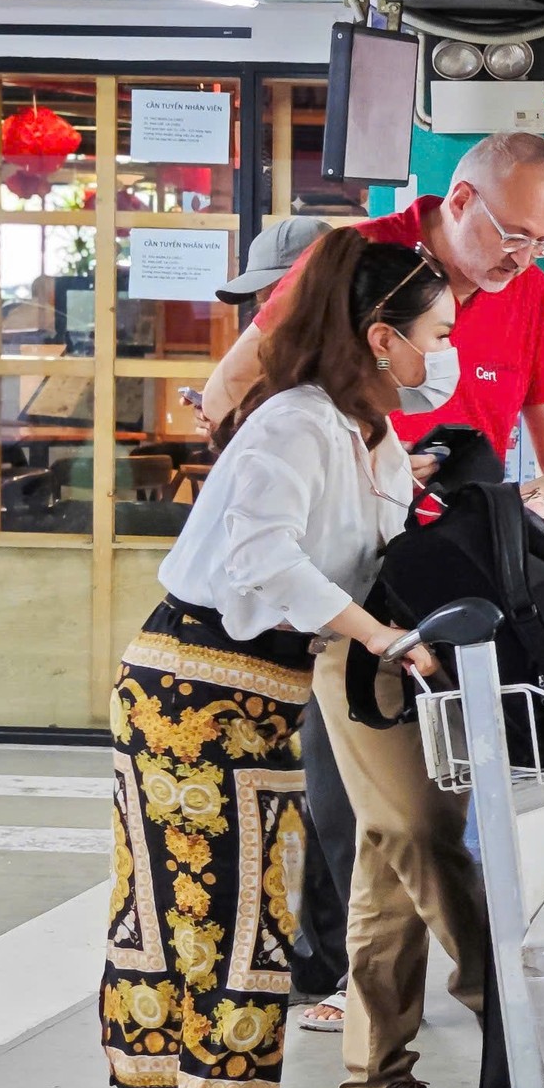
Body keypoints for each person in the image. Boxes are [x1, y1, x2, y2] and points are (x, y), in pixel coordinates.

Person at [203, 132, 544, 1088]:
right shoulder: (354, 270)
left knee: (389, 841)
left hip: (452, 587)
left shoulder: (522, 294)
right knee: (411, 828)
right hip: (352, 605)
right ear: (460, 200)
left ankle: (377, 1072)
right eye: (515, 232)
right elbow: (229, 396)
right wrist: (324, 472)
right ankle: (524, 1022)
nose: (528, 257)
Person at [100, 232, 447, 1088]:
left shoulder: (373, 435)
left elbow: (378, 554)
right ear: (381, 337)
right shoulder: (294, 423)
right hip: (194, 691)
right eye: (436, 335)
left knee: (246, 916)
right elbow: (265, 560)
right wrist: (377, 636)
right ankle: (183, 1085)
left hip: (264, 696)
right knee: (214, 916)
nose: (444, 355)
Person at [205, 215, 361, 1035]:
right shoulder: (280, 409)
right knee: (299, 809)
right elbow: (262, 557)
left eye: (272, 298)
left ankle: (323, 963)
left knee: (324, 806)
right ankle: (316, 961)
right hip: (250, 653)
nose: (259, 319)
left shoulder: (319, 408)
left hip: (296, 645)